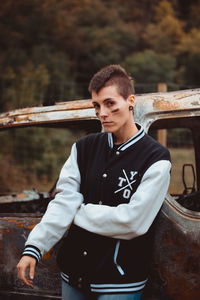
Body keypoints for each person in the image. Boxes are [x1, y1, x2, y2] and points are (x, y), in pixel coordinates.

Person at [17, 65, 171, 300]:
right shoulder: (83, 148)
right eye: (96, 106)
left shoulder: (156, 158)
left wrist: (76, 212)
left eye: (110, 103)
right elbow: (63, 202)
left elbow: (134, 222)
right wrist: (34, 248)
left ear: (130, 101)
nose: (102, 113)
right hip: (73, 274)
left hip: (120, 281)